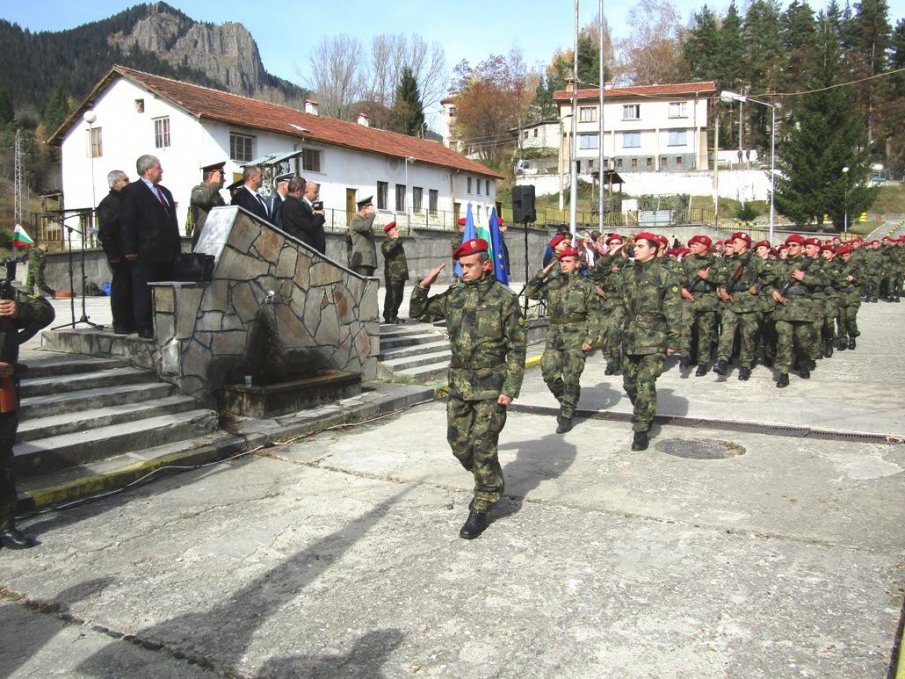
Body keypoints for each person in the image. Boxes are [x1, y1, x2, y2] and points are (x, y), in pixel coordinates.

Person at [409, 238, 526, 540]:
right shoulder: (454, 295)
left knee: (483, 445)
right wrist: (423, 286)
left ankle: (483, 504)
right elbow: (419, 313)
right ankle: (490, 480)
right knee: (459, 444)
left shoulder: (504, 299)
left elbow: (516, 347)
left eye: (469, 265)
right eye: (461, 266)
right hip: (460, 385)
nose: (464, 271)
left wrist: (510, 387)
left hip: (491, 385)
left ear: (486, 265)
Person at [0, 286, 55, 550]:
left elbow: (46, 311)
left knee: (2, 459)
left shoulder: (4, 291)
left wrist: (20, 310)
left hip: (4, 389)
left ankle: (5, 526)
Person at [525, 246, 599, 434]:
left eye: (568, 261)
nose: (564, 264)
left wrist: (590, 338)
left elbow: (594, 314)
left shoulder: (586, 285)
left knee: (572, 377)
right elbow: (530, 293)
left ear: (577, 263)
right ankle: (566, 400)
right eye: (562, 261)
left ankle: (566, 414)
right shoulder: (553, 283)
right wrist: (543, 273)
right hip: (555, 335)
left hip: (577, 335)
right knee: (549, 371)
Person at [620, 232, 683, 451]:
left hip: (655, 336)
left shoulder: (664, 275)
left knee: (645, 381)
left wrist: (674, 339)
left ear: (653, 249)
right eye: (634, 246)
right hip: (630, 336)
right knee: (629, 383)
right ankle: (645, 411)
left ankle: (641, 428)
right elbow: (600, 274)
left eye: (640, 246)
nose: (635, 249)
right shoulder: (627, 272)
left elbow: (673, 308)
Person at [120, 154, 181, 340]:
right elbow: (127, 220)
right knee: (143, 291)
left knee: (166, 289)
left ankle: (165, 323)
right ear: (148, 170)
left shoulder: (164, 191)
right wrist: (129, 248)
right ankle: (144, 326)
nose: (161, 170)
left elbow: (171, 221)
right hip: (145, 251)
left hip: (167, 251)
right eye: (158, 167)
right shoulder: (132, 191)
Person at [712, 232, 773, 381]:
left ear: (745, 244)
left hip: (749, 303)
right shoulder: (729, 260)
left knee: (747, 336)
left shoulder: (755, 260)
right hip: (731, 302)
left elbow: (771, 273)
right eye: (733, 242)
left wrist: (758, 286)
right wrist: (721, 289)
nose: (734, 244)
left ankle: (745, 365)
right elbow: (722, 277)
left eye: (737, 242)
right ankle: (722, 361)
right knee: (726, 333)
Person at [96, 169, 134, 334]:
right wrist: (114, 255)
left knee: (133, 288)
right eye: (125, 179)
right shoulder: (109, 203)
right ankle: (120, 322)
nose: (129, 182)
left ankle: (133, 321)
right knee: (121, 289)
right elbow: (106, 232)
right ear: (116, 183)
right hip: (119, 254)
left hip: (132, 253)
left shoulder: (128, 199)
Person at [678, 234, 718, 376]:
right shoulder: (687, 260)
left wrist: (709, 277)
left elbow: (724, 279)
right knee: (684, 327)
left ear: (705, 247)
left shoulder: (716, 262)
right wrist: (682, 289)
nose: (693, 247)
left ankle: (703, 362)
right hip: (690, 297)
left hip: (708, 299)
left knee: (705, 332)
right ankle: (684, 355)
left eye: (697, 245)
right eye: (692, 244)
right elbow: (678, 277)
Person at [189, 161, 226, 249]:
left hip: (216, 241)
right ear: (210, 176)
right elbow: (203, 199)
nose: (224, 180)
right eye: (221, 176)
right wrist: (215, 184)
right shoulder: (197, 190)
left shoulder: (217, 195)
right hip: (203, 242)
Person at [380, 221, 408, 323]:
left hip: (400, 274)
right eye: (396, 229)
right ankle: (388, 316)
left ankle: (394, 315)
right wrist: (395, 239)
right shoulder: (385, 243)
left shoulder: (397, 242)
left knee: (399, 296)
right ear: (390, 232)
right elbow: (387, 250)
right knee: (391, 296)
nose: (398, 231)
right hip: (392, 275)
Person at [348, 195, 378, 276]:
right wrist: (371, 215)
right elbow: (365, 227)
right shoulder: (356, 220)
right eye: (370, 207)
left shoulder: (365, 221)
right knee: (362, 287)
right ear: (364, 208)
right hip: (361, 262)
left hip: (369, 261)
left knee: (369, 287)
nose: (373, 210)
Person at [298, 180, 327, 254]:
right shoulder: (303, 206)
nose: (317, 195)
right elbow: (311, 226)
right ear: (306, 191)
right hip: (311, 248)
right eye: (315, 192)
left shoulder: (311, 207)